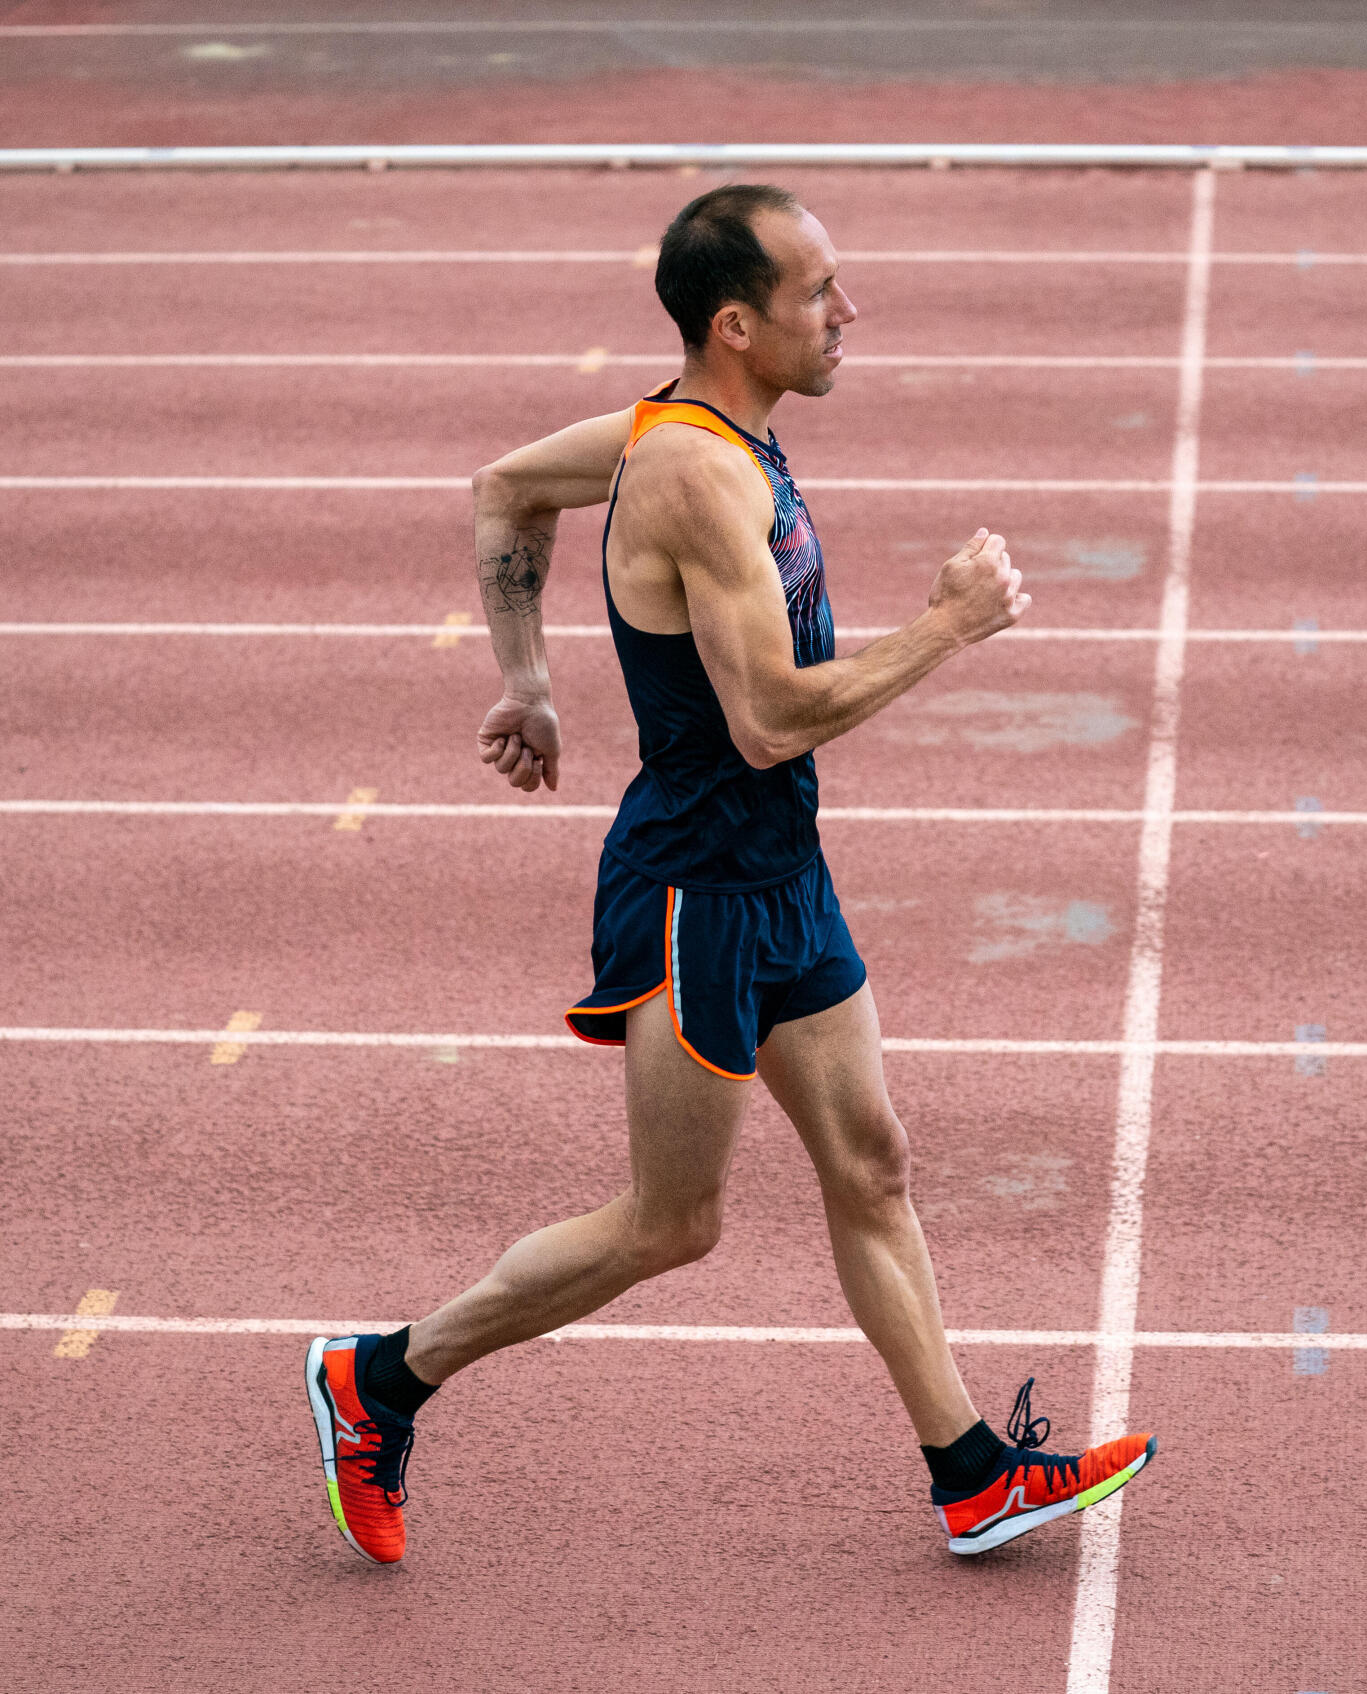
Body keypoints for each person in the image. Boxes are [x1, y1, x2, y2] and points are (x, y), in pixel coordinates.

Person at [304, 183, 1155, 1566]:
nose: (849, 311)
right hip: (701, 889)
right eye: (822, 293)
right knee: (671, 1222)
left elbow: (506, 487)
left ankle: (972, 1473)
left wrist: (530, 686)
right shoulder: (698, 473)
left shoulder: (691, 431)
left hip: (780, 869)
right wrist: (946, 625)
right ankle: (380, 1378)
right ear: (738, 324)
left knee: (871, 1164)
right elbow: (768, 716)